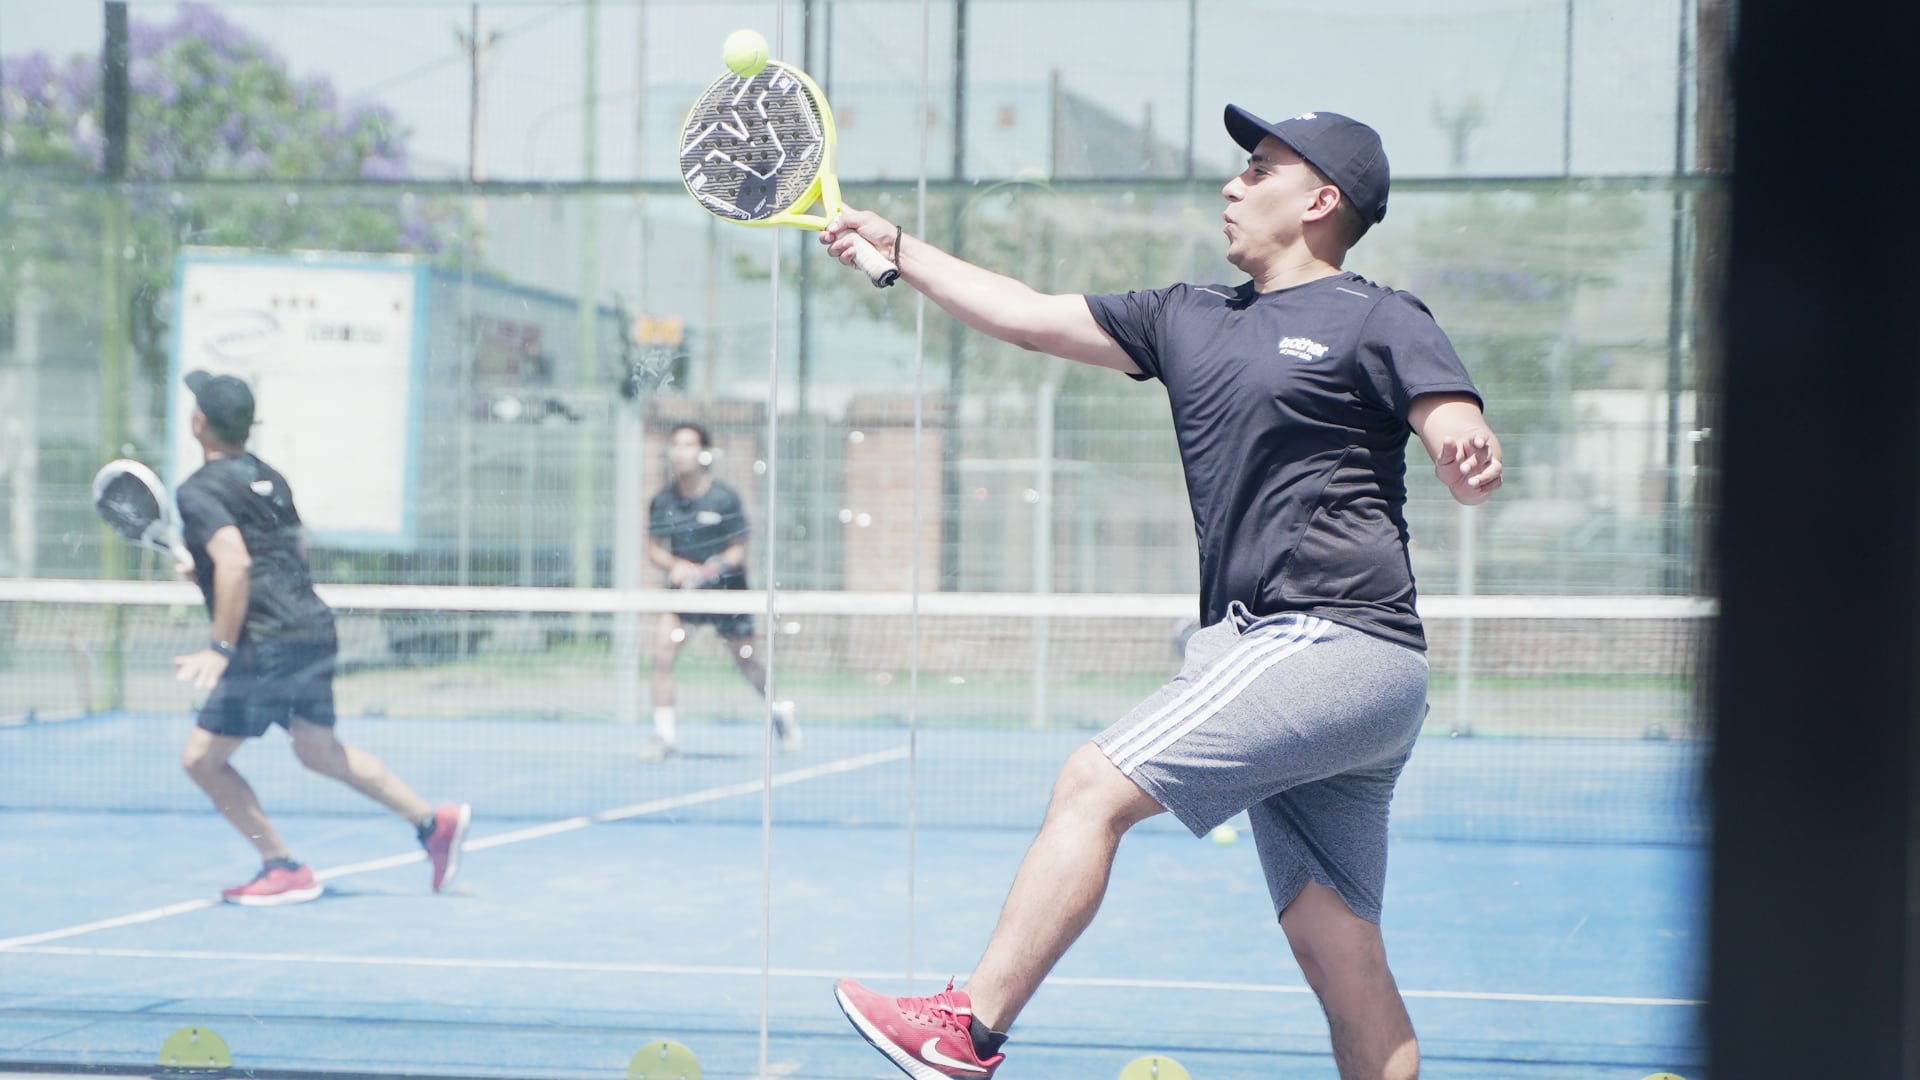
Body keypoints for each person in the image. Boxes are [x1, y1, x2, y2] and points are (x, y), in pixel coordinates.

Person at [822, 107, 1504, 1080]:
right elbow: (1023, 313)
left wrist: (1461, 443)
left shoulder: (1377, 316)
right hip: (1289, 661)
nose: (1233, 183)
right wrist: (900, 252)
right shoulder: (1188, 317)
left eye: (1258, 169)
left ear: (1319, 201)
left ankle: (967, 1030)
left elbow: (1448, 413)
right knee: (1338, 950)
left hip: (1334, 642)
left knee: (1091, 785)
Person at [173, 371, 470, 906]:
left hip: (265, 642)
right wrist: (208, 572)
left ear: (199, 424)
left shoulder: (198, 491)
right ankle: (433, 824)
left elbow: (237, 561)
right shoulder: (271, 477)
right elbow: (289, 554)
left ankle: (281, 866)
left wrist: (219, 647)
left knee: (202, 759)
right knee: (317, 749)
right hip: (311, 626)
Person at [646, 422, 801, 755]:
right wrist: (675, 566)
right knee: (662, 652)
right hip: (683, 597)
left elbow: (738, 549)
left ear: (703, 453)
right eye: (675, 445)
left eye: (688, 445)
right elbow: (655, 548)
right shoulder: (663, 500)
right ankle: (665, 736)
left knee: (746, 661)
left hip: (728, 594)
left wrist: (711, 569)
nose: (680, 452)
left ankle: (780, 713)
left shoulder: (724, 498)